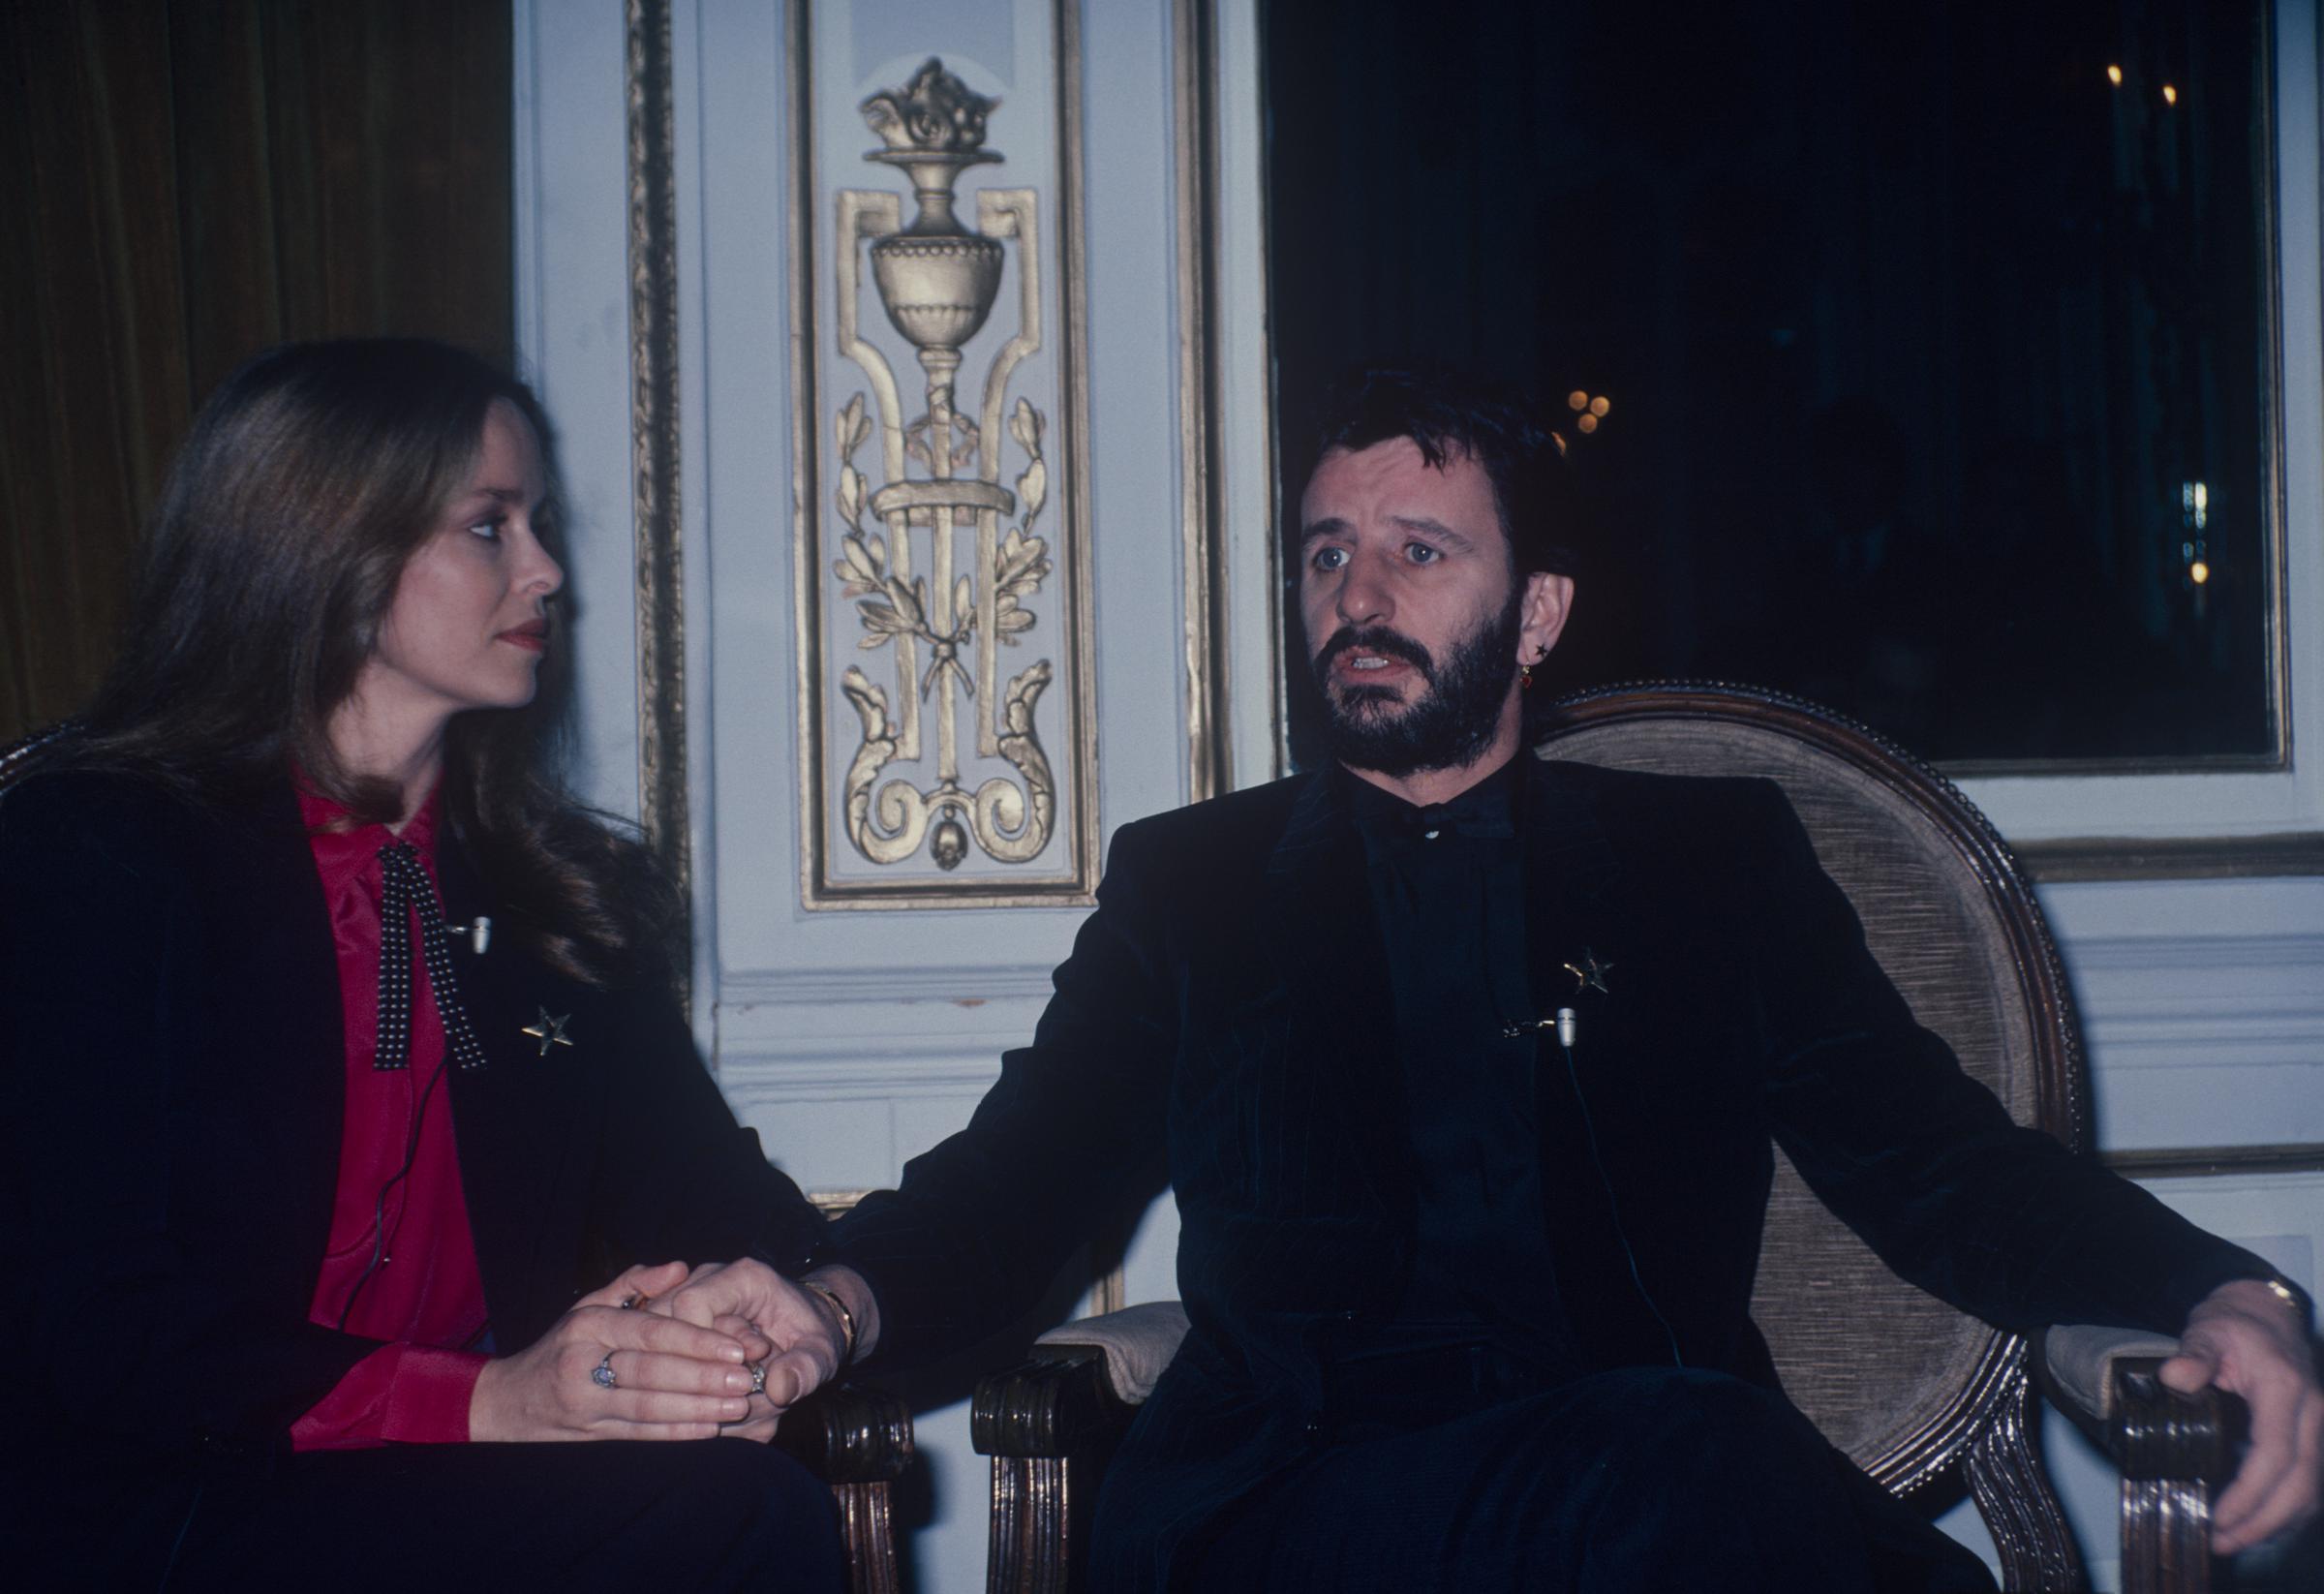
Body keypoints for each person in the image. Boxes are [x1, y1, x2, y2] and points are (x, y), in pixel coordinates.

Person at [655, 365, 2323, 1590]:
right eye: (1325, 554)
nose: (1358, 598)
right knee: (1687, 1448)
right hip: (1290, 1511)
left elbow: (1932, 1160)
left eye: (1419, 554)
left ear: (1536, 613)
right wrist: (831, 1303)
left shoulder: (1706, 864)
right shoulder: (1201, 885)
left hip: (1642, 1503)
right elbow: (1020, 1181)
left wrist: (2219, 1287)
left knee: (1671, 1452)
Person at [0, 339, 862, 1591]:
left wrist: (766, 1328)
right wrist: (489, 1401)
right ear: (327, 546)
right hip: (145, 1502)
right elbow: (88, 1320)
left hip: (428, 1500)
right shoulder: (99, 850)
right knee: (730, 1514)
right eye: (489, 527)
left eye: (540, 524)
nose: (548, 571)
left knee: (739, 1499)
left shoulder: (558, 888)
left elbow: (719, 1206)